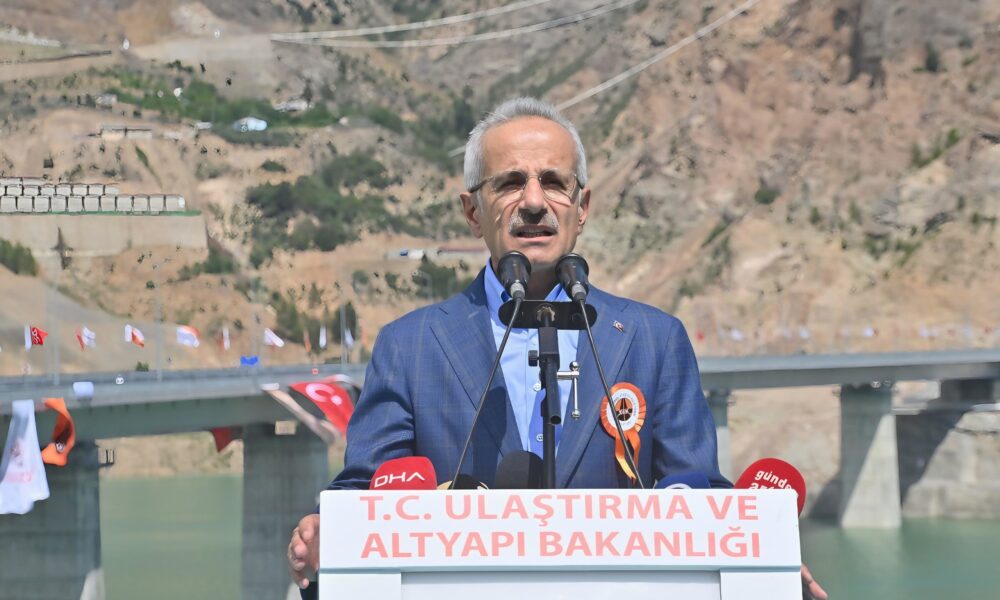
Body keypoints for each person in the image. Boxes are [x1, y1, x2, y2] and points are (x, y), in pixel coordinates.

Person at [288, 97, 827, 600]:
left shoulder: (655, 339)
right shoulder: (409, 347)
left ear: (582, 206)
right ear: (473, 212)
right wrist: (325, 532)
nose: (533, 202)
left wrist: (761, 556)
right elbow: (368, 491)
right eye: (509, 183)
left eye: (553, 182)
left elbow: (697, 490)